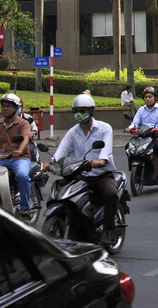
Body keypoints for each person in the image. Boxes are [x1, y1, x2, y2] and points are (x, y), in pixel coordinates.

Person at [51, 94, 117, 244]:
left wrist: (100, 160)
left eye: (82, 110)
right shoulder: (73, 132)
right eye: (76, 111)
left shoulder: (104, 128)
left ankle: (108, 229)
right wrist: (52, 162)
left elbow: (106, 149)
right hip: (79, 175)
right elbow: (61, 151)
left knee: (111, 193)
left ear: (91, 111)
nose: (79, 114)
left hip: (101, 174)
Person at [0, 93, 32, 217]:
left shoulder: (23, 123)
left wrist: (19, 150)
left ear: (16, 108)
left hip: (20, 158)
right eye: (3, 106)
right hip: (2, 157)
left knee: (22, 175)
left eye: (8, 106)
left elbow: (25, 139)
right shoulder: (0, 123)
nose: (5, 109)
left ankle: (25, 207)